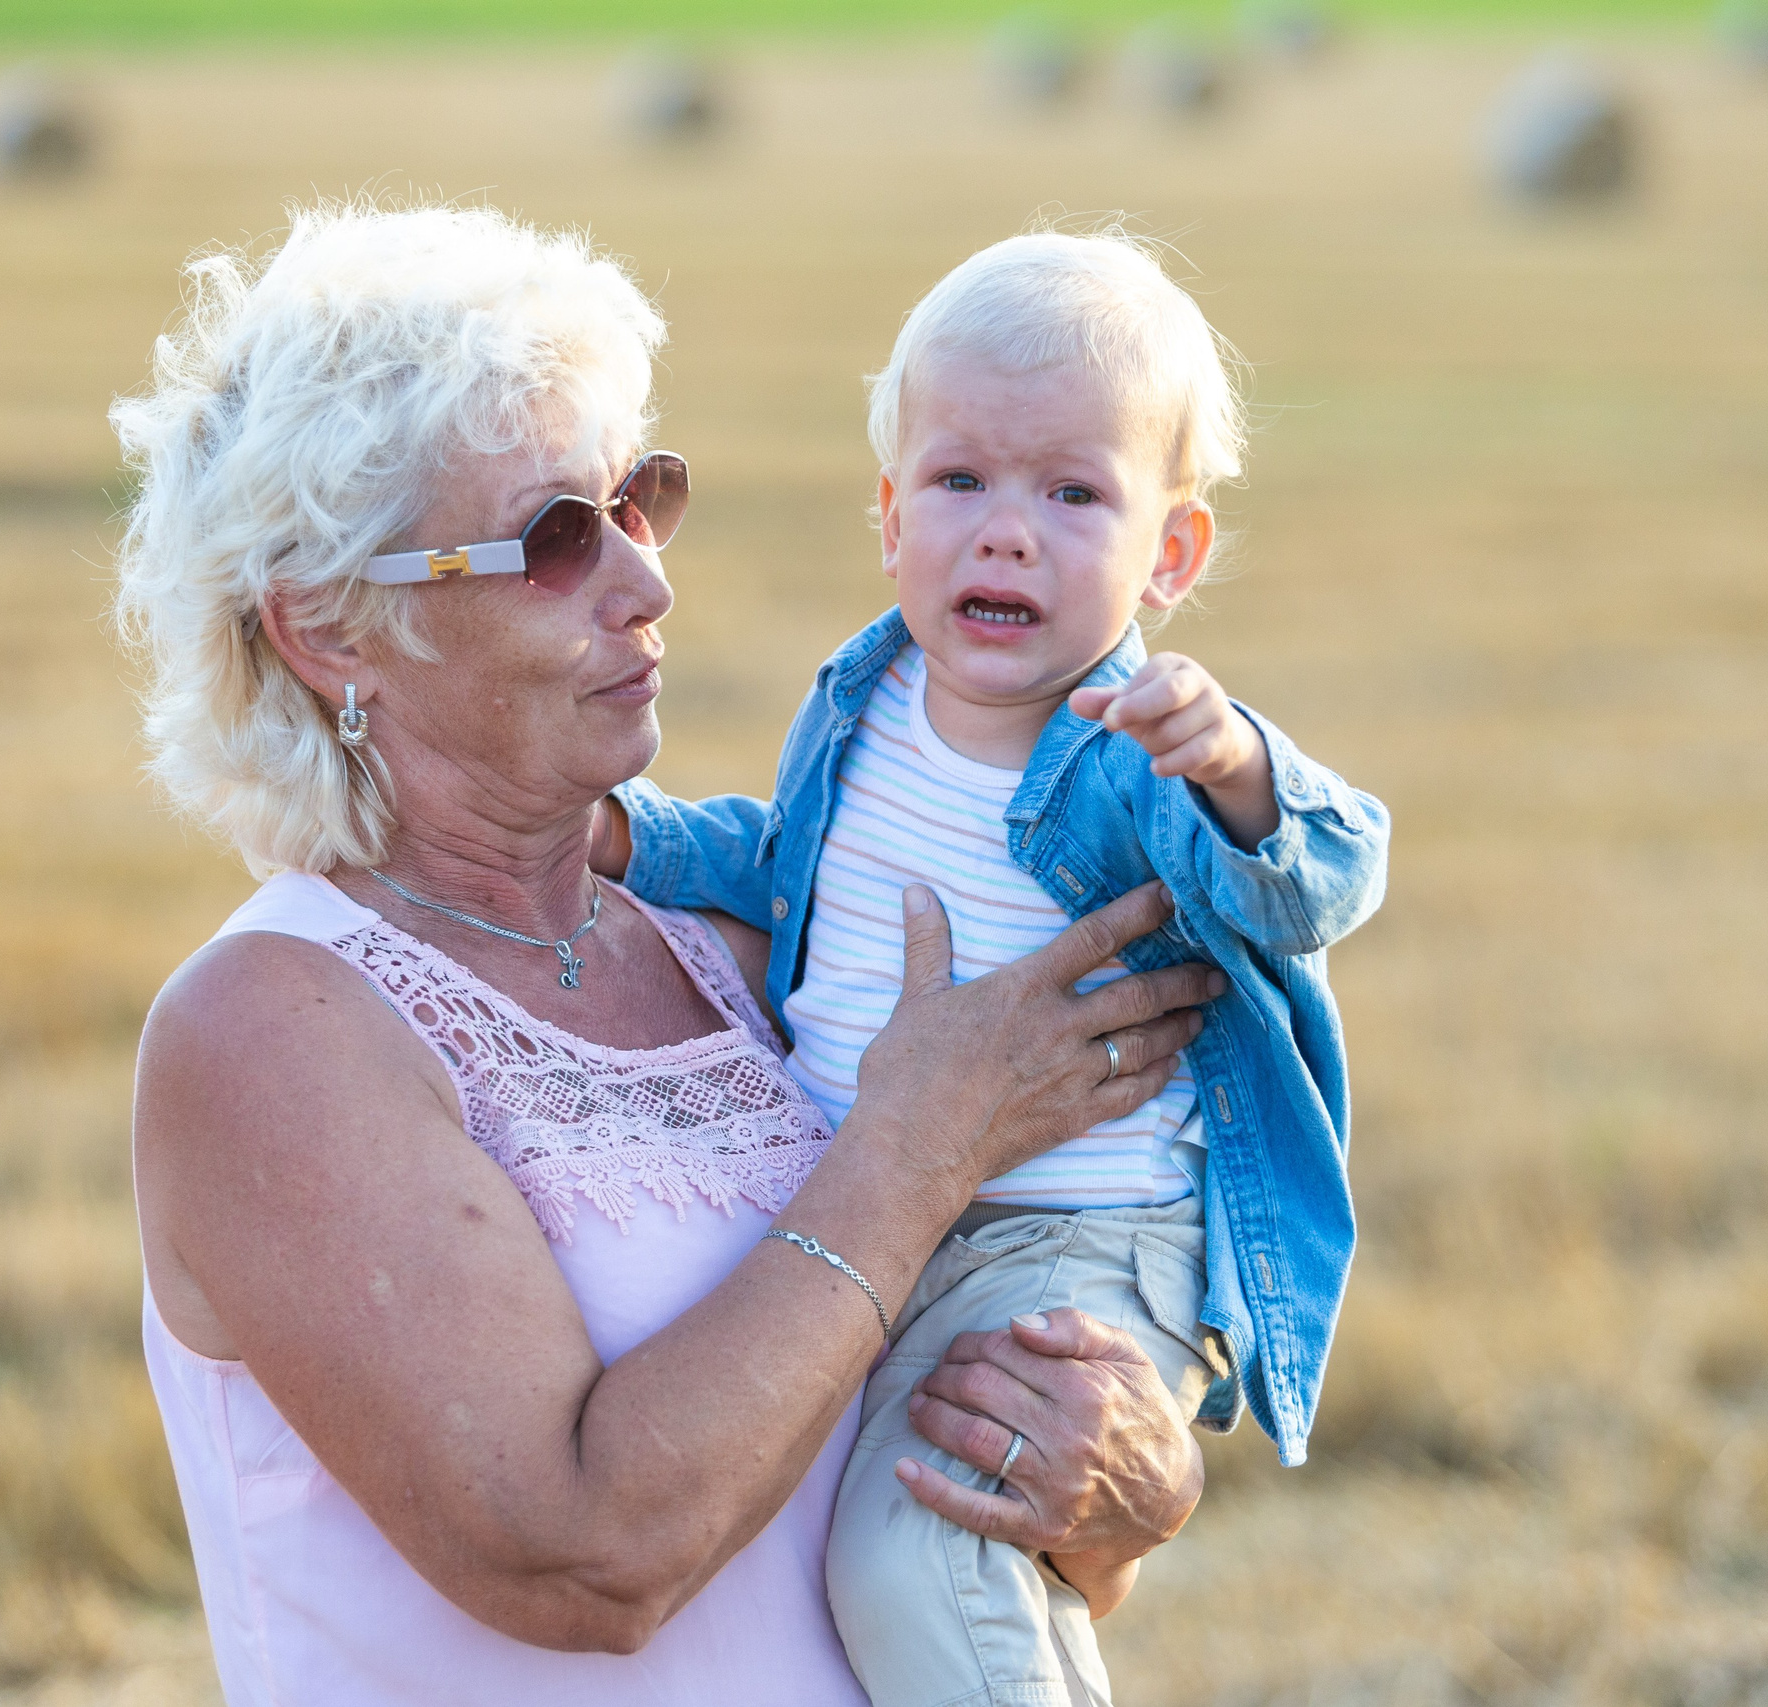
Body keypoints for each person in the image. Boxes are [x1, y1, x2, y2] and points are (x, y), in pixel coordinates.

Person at [109, 202, 1225, 1706]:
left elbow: (916, 1493)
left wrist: (1126, 1491)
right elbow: (584, 1556)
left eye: (639, 499)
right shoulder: (271, 1030)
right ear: (325, 628)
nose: (645, 580)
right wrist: (921, 1144)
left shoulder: (748, 940)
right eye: (558, 537)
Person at [594, 228, 1392, 1706]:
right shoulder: (865, 696)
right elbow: (790, 864)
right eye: (961, 481)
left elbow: (1324, 882)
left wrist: (1238, 770)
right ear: (891, 519)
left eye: (1074, 493)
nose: (1007, 530)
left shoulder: (1137, 748)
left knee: (927, 1557)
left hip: (1067, 1245)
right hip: (892, 1217)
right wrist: (627, 840)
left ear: (1173, 553)